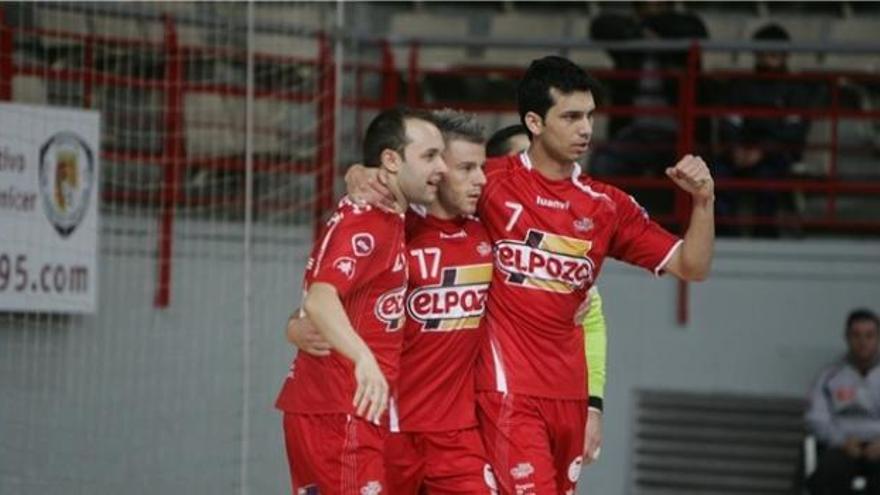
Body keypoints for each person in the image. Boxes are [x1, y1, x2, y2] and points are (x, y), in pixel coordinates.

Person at [472, 55, 713, 494]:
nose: (586, 128)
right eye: (571, 117)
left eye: (589, 116)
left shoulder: (607, 206)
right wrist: (362, 175)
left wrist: (703, 202)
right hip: (507, 389)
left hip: (570, 395)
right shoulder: (488, 182)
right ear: (534, 122)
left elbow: (693, 266)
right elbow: (416, 183)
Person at [289, 109, 497, 493]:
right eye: (432, 157)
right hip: (361, 410)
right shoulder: (381, 219)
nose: (479, 179)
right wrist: (358, 356)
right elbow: (323, 297)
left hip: (420, 423)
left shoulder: (397, 216)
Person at [486, 123, 610, 467]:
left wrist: (592, 406)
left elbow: (593, 323)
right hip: (451, 413)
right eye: (521, 161)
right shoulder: (464, 228)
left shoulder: (560, 257)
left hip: (535, 409)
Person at [715, 23, 819, 237]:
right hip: (740, 153)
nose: (768, 57)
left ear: (785, 54)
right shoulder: (741, 85)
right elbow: (729, 123)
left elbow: (795, 130)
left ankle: (765, 235)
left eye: (774, 52)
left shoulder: (795, 89)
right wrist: (736, 149)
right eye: (763, 52)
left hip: (776, 155)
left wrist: (763, 151)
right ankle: (726, 238)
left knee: (768, 183)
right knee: (716, 178)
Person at [806, 309, 880, 495]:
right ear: (846, 338)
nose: (863, 342)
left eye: (869, 336)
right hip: (842, 446)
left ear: (878, 338)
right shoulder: (829, 376)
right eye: (856, 335)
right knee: (824, 477)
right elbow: (816, 417)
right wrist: (841, 441)